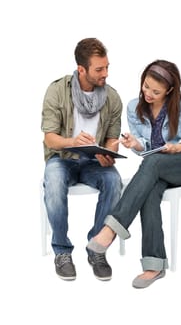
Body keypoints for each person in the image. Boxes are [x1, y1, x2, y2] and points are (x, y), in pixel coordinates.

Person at [86, 59, 181, 288]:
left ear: (169, 90)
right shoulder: (133, 107)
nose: (148, 93)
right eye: (146, 86)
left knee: (154, 163)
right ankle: (154, 266)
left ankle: (109, 231)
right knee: (149, 189)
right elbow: (146, 146)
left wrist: (177, 147)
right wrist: (135, 144)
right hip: (155, 168)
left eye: (156, 91)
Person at [41, 38, 123, 281]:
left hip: (93, 163)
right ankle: (62, 251)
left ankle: (96, 249)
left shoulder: (112, 97)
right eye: (99, 69)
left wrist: (108, 154)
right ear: (81, 69)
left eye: (107, 67)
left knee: (114, 181)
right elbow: (50, 139)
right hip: (62, 157)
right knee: (54, 181)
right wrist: (72, 142)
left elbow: (111, 138)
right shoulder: (57, 91)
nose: (105, 74)